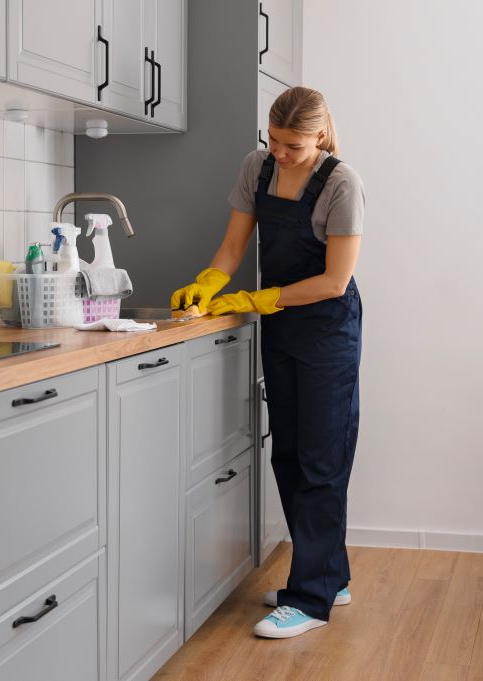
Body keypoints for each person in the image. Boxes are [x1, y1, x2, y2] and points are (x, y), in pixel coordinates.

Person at [171, 86, 365, 639]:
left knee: (322, 462)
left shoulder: (342, 184)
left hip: (327, 330)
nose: (279, 153)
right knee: (289, 455)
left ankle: (309, 599)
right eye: (273, 140)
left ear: (320, 137)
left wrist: (258, 299)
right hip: (281, 327)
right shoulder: (257, 167)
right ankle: (328, 576)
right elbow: (233, 247)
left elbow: (335, 280)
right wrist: (210, 282)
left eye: (292, 146)